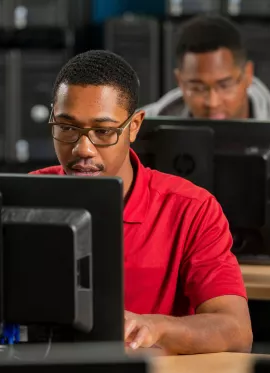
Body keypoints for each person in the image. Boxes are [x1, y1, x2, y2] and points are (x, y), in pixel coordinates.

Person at [30, 50, 252, 355]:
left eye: (104, 131)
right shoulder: (27, 197)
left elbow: (236, 331)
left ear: (134, 126)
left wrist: (155, 327)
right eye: (67, 128)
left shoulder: (191, 209)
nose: (83, 148)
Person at [143, 16, 270, 258]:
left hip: (262, 287)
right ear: (180, 81)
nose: (212, 101)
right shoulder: (136, 129)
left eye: (224, 85)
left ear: (247, 75)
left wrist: (254, 194)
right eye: (197, 87)